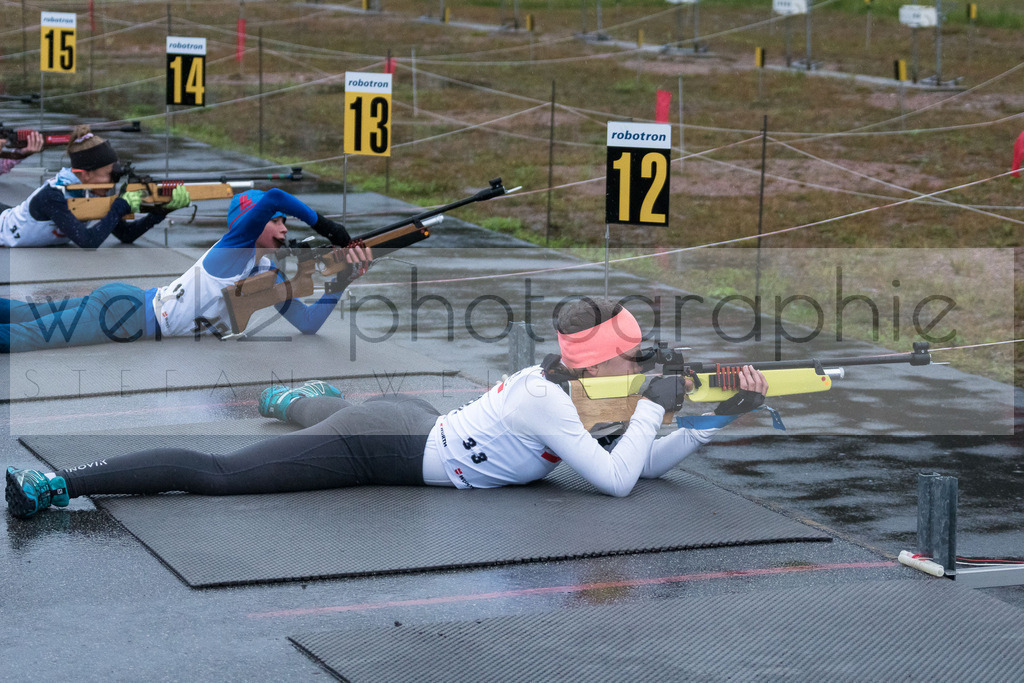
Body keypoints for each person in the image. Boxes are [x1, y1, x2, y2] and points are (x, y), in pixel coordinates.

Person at [4, 298, 769, 518]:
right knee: (220, 476)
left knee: (323, 421)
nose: (641, 368)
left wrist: (712, 417)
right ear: (596, 359)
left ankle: (303, 401)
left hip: (410, 422)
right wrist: (654, 410)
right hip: (389, 444)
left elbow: (643, 460)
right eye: (632, 358)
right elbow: (615, 479)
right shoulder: (549, 399)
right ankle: (58, 483)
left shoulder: (587, 393)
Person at [0, 187, 370, 352]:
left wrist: (341, 280)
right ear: (250, 224)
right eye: (277, 222)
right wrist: (328, 228)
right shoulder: (232, 249)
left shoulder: (262, 271)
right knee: (29, 337)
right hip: (129, 315)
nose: (285, 228)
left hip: (128, 306)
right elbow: (274, 195)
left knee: (28, 315)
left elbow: (307, 324)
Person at [0, 125, 190, 248]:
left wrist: (161, 211)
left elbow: (126, 234)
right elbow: (88, 240)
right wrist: (118, 208)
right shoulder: (54, 196)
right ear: (85, 174)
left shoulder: (92, 191)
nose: (113, 181)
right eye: (109, 174)